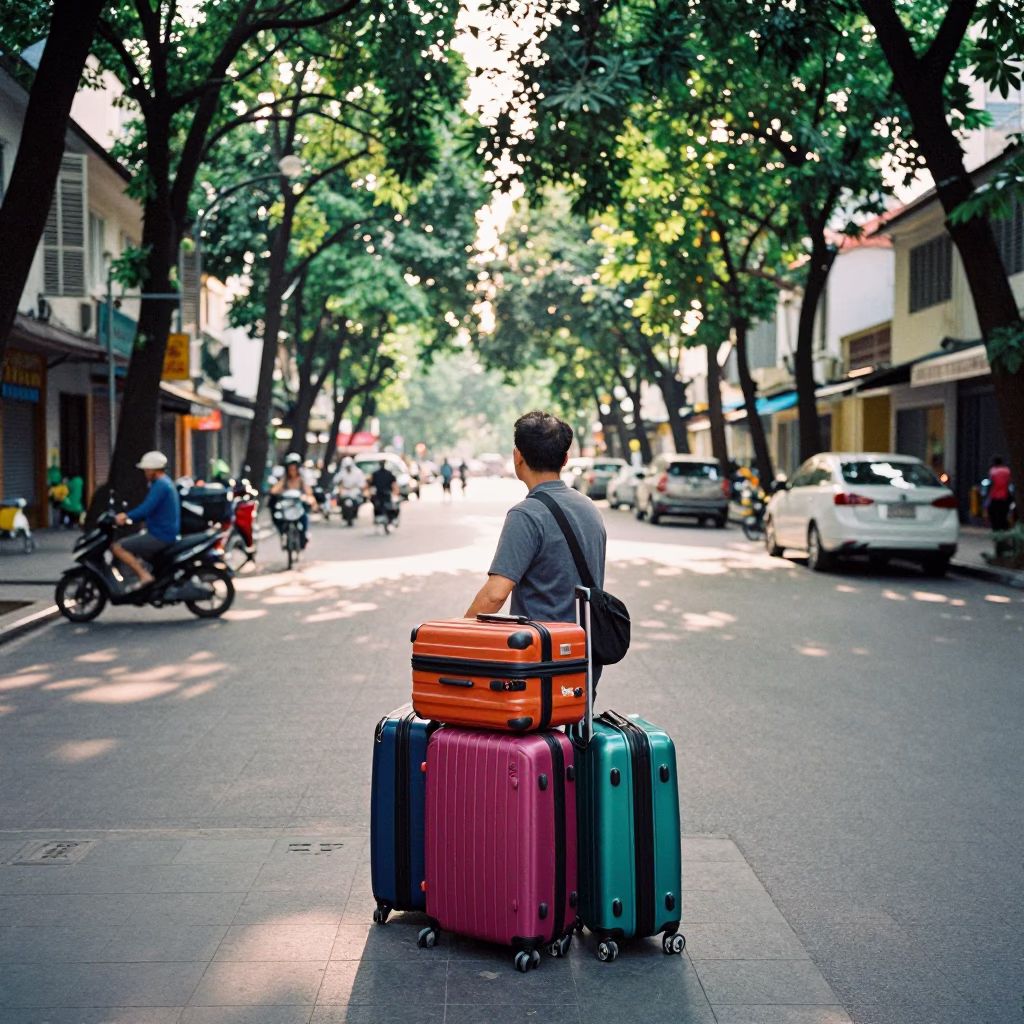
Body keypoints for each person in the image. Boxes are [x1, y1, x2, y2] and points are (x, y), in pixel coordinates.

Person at [465, 410, 607, 680]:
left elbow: (495, 595)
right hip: (585, 656)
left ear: (517, 456)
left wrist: (460, 635)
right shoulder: (589, 509)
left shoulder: (526, 515)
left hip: (541, 660)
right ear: (565, 459)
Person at [112, 450, 181, 588]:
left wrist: (126, 517)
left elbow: (146, 509)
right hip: (164, 532)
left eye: (147, 469)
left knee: (118, 547)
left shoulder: (160, 485)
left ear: (154, 469)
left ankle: (144, 576)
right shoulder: (165, 482)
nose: (145, 473)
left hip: (160, 535)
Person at [271, 453, 316, 543]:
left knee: (304, 515)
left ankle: (305, 533)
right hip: (286, 505)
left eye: (294, 466)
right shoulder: (284, 479)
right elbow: (274, 490)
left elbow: (308, 491)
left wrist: (306, 497)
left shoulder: (301, 479)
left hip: (298, 504)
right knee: (277, 516)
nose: (292, 468)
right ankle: (282, 534)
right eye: (290, 466)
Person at [985, 454, 1013, 531]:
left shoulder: (992, 471)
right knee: (1004, 514)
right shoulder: (1007, 471)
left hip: (995, 496)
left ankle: (995, 528)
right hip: (1005, 496)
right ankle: (1004, 528)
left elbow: (990, 483)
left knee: (993, 513)